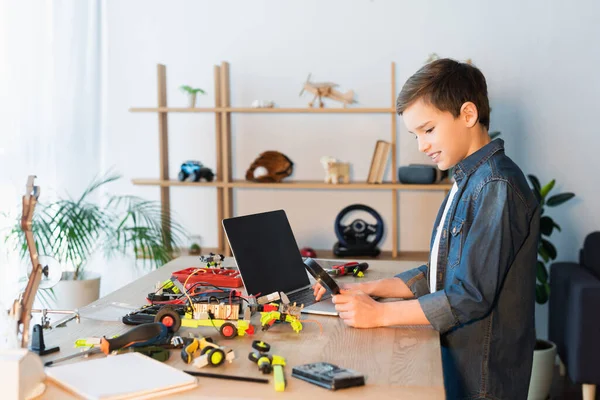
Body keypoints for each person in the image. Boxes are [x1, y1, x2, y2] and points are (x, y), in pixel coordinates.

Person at [313, 58, 540, 399]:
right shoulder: (468, 178)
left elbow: (469, 296)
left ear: (467, 114)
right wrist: (372, 289)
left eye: (428, 130)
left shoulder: (495, 185)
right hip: (458, 360)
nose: (421, 146)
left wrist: (380, 316)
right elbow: (444, 271)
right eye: (415, 134)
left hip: (481, 377)